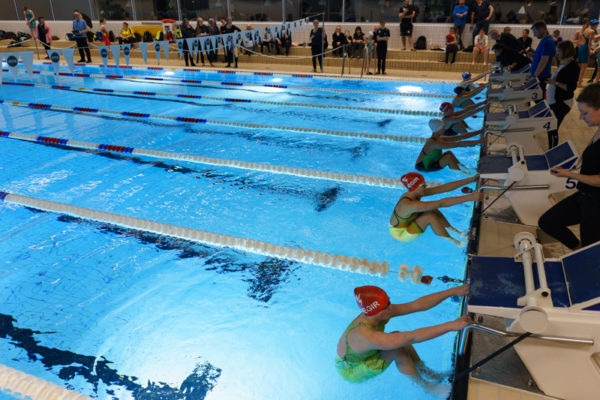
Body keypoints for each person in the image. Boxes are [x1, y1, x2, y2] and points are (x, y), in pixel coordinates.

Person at [335, 284, 470, 395]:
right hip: (352, 369)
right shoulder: (367, 335)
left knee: (397, 336)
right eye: (386, 306)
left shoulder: (378, 312)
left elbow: (416, 305)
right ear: (377, 312)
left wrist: (453, 291)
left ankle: (430, 374)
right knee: (398, 349)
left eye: (388, 302)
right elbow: (412, 337)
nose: (391, 307)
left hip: (359, 354)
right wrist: (451, 325)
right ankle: (427, 387)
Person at [538, 83, 600, 250]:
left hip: (596, 203)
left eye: (585, 113)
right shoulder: (598, 130)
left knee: (590, 248)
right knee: (548, 222)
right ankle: (578, 252)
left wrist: (570, 174)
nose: (580, 118)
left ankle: (583, 258)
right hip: (585, 195)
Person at [389, 173, 481, 245]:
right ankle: (459, 244)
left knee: (432, 209)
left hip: (407, 220)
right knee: (429, 216)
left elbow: (443, 188)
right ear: (415, 187)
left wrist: (471, 179)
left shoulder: (415, 192)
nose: (426, 186)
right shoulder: (409, 205)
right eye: (423, 185)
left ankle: (459, 233)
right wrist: (470, 197)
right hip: (401, 233)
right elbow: (441, 203)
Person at [415, 119, 484, 173]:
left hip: (432, 162)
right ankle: (463, 174)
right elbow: (457, 144)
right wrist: (478, 142)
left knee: (449, 153)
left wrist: (479, 131)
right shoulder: (432, 144)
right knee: (447, 158)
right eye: (443, 126)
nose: (445, 128)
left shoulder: (439, 138)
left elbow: (460, 137)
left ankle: (465, 169)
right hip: (424, 167)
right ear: (438, 129)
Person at [546, 41, 579, 149]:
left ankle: (552, 151)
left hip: (562, 103)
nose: (557, 54)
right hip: (556, 101)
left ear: (566, 51)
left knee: (553, 128)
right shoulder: (565, 63)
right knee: (551, 128)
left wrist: (554, 82)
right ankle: (551, 149)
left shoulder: (573, 67)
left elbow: (570, 87)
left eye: (559, 51)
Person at [531, 21, 556, 98]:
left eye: (535, 32)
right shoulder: (544, 40)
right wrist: (532, 56)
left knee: (538, 99)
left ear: (542, 29)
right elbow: (541, 57)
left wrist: (535, 76)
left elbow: (544, 61)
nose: (534, 35)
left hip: (540, 76)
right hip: (539, 75)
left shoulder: (547, 42)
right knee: (536, 97)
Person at [575, 19, 590, 88]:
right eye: (587, 24)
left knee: (582, 67)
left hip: (583, 49)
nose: (587, 26)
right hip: (579, 49)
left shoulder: (588, 32)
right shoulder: (578, 32)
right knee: (580, 66)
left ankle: (579, 79)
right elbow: (574, 40)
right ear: (583, 24)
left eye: (588, 24)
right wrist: (579, 41)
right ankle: (578, 80)